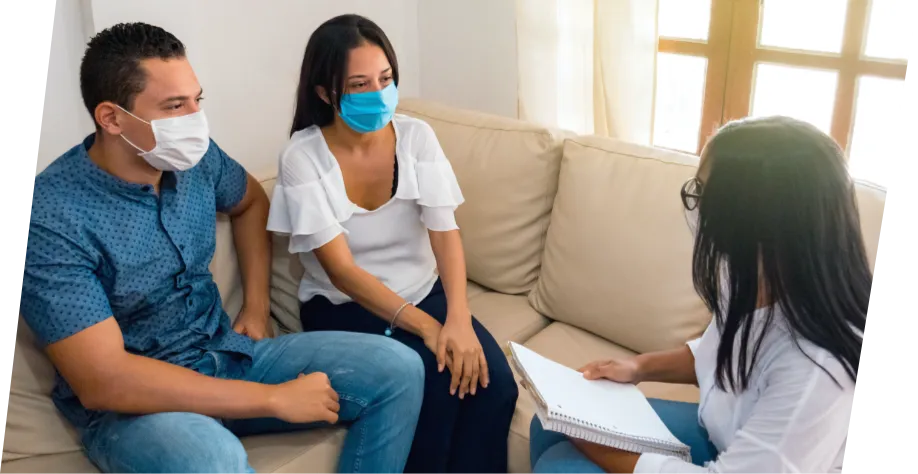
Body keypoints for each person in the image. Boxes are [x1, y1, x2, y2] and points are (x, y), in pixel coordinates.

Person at [21, 22, 424, 474]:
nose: (195, 119)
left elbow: (251, 202)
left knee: (398, 367)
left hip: (228, 354)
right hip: (138, 407)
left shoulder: (193, 157)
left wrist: (255, 307)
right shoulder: (58, 217)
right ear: (111, 119)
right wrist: (272, 399)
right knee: (212, 460)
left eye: (197, 100)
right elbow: (104, 380)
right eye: (175, 106)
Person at [528, 116, 865, 473]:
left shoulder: (818, 368)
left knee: (561, 464)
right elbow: (720, 350)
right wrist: (637, 367)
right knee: (548, 425)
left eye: (704, 193)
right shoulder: (752, 270)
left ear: (757, 220)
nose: (696, 205)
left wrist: (588, 438)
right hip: (723, 432)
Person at [267, 14, 519, 474]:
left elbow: (445, 232)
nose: (378, 92)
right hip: (344, 306)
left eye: (385, 79)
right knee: (436, 387)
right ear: (324, 92)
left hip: (424, 291)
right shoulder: (302, 157)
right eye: (359, 84)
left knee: (494, 385)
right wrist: (428, 329)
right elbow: (342, 271)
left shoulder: (417, 138)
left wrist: (458, 319)